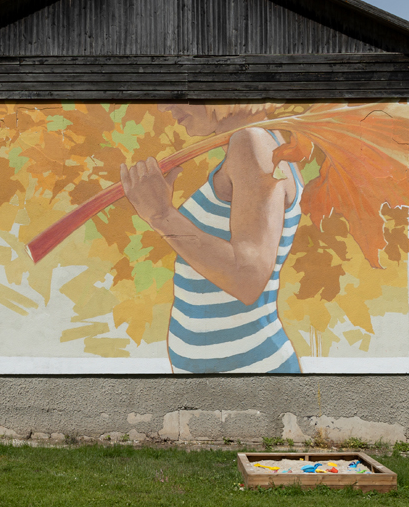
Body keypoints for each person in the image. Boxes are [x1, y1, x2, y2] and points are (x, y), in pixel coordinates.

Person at [119, 103, 303, 374]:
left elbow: (247, 277)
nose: (164, 105)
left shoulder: (252, 143)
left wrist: (161, 215)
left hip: (250, 377)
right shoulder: (261, 143)